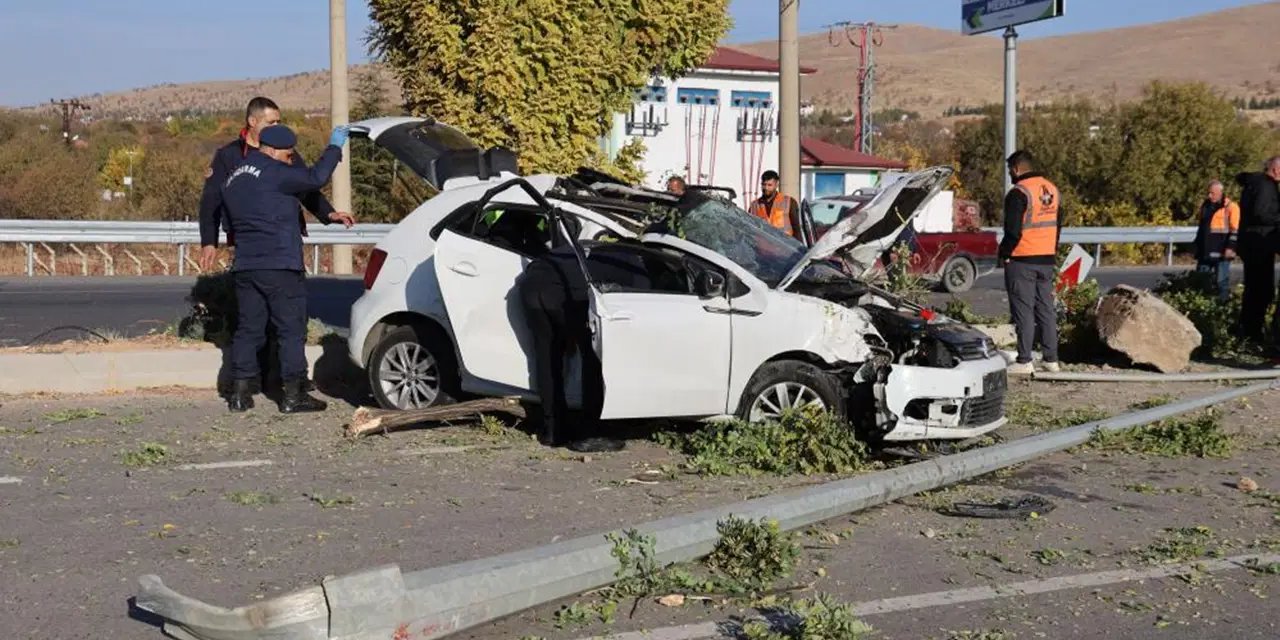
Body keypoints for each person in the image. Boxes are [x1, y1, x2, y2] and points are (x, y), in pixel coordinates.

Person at [220, 124, 356, 413]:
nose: (291, 160)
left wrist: (328, 214)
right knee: (291, 330)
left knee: (249, 329)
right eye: (288, 155)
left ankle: (240, 394)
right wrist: (335, 147)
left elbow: (229, 224)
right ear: (272, 150)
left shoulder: (233, 178)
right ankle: (294, 395)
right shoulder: (274, 170)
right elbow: (315, 178)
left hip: (245, 266)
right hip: (280, 264)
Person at [197, 97, 348, 271]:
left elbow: (305, 187)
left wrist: (328, 213)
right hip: (245, 243)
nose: (276, 126)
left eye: (278, 122)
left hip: (284, 243)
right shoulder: (229, 155)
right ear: (252, 121)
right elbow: (211, 202)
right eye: (271, 122)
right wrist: (209, 241)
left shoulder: (286, 152)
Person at [516, 223, 628, 453]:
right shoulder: (633, 265)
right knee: (594, 356)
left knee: (547, 357)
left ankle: (552, 431)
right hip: (567, 291)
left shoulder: (589, 250)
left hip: (531, 285)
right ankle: (589, 433)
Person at [997, 150, 1061, 375]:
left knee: (1023, 311)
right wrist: (1051, 251)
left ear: (1016, 169)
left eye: (1009, 170)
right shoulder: (1052, 189)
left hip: (1022, 259)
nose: (1009, 175)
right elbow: (1057, 226)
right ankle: (1051, 359)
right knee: (1046, 309)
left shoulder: (1018, 193)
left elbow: (1013, 230)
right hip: (1046, 259)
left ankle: (1024, 360)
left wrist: (1004, 253)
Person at [1234, 157, 1280, 348]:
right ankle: (1252, 335)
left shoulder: (1255, 183)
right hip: (1259, 243)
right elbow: (1261, 213)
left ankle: (1250, 333)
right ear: (1276, 170)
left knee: (1256, 290)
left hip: (1253, 243)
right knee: (1260, 291)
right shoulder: (1265, 186)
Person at [1192, 180, 1240, 302]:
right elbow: (1202, 228)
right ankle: (1202, 306)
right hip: (1205, 253)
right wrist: (1197, 247)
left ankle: (1222, 305)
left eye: (1212, 193)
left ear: (1220, 192)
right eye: (1208, 193)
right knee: (1201, 282)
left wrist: (1230, 247)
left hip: (1222, 253)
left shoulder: (1231, 207)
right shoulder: (1206, 206)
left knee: (1221, 283)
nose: (1209, 195)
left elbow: (1235, 230)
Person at [751, 170, 802, 238]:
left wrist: (799, 244)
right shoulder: (754, 206)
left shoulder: (789, 202)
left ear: (776, 184)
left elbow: (797, 230)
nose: (766, 188)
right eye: (764, 184)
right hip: (762, 244)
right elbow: (750, 231)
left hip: (785, 244)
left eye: (769, 185)